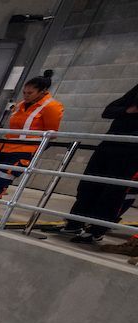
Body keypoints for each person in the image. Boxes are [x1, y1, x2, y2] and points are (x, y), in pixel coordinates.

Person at [0, 70, 63, 223]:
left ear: (42, 92)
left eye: (30, 93)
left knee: (1, 181)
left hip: (22, 152)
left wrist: (33, 149)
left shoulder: (52, 107)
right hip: (3, 148)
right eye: (24, 92)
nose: (26, 95)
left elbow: (51, 133)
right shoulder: (20, 105)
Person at [58, 83, 138, 244]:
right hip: (109, 146)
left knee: (113, 192)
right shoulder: (133, 95)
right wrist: (127, 111)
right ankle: (75, 222)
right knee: (89, 185)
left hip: (131, 154)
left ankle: (96, 230)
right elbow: (108, 111)